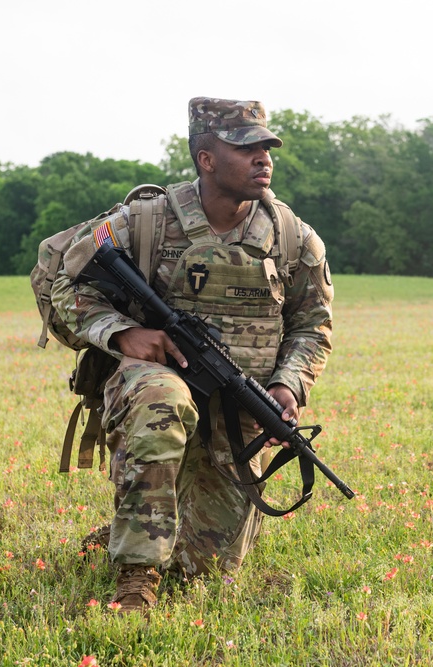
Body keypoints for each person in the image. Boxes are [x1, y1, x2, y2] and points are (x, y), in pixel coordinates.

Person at [50, 97, 334, 614]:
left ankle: (134, 528)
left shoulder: (292, 237)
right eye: (247, 149)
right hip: (154, 386)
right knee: (163, 399)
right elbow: (61, 280)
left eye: (267, 148)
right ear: (206, 159)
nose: (264, 159)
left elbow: (312, 325)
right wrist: (120, 335)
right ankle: (135, 579)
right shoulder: (147, 221)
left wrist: (288, 384)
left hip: (237, 405)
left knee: (202, 571)